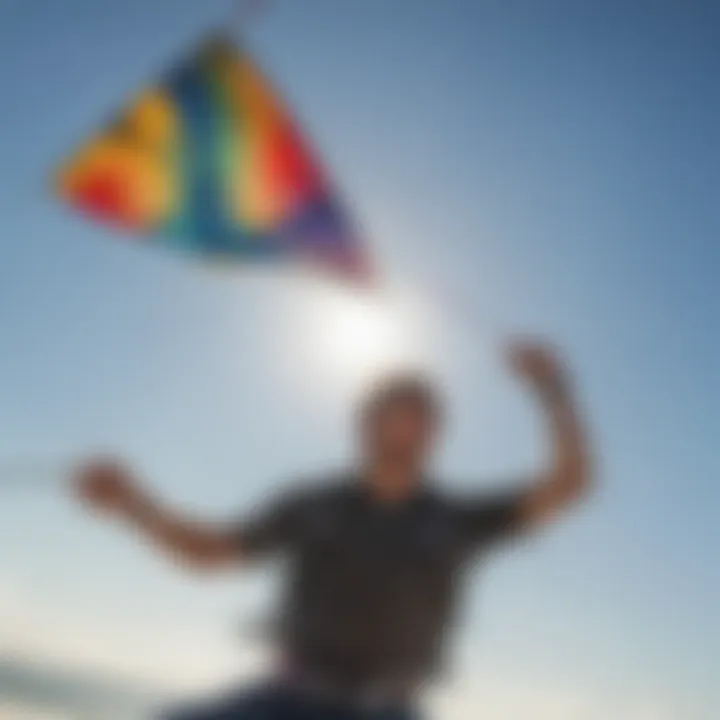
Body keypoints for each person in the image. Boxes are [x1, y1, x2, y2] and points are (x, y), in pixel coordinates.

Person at [75, 341, 592, 720]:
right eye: (397, 413)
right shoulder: (312, 505)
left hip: (390, 708)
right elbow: (209, 552)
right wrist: (134, 505)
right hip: (284, 701)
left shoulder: (457, 520)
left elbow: (568, 485)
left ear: (437, 437)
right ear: (365, 424)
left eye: (424, 419)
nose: (410, 427)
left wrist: (553, 391)